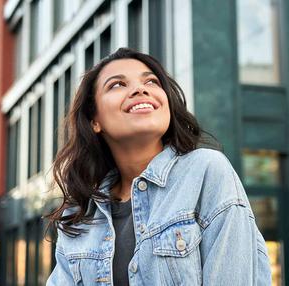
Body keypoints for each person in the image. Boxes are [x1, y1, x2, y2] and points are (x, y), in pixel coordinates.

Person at [46, 47, 271, 285]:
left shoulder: (206, 171)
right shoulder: (78, 215)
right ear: (95, 121)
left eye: (151, 82)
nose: (140, 89)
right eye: (117, 85)